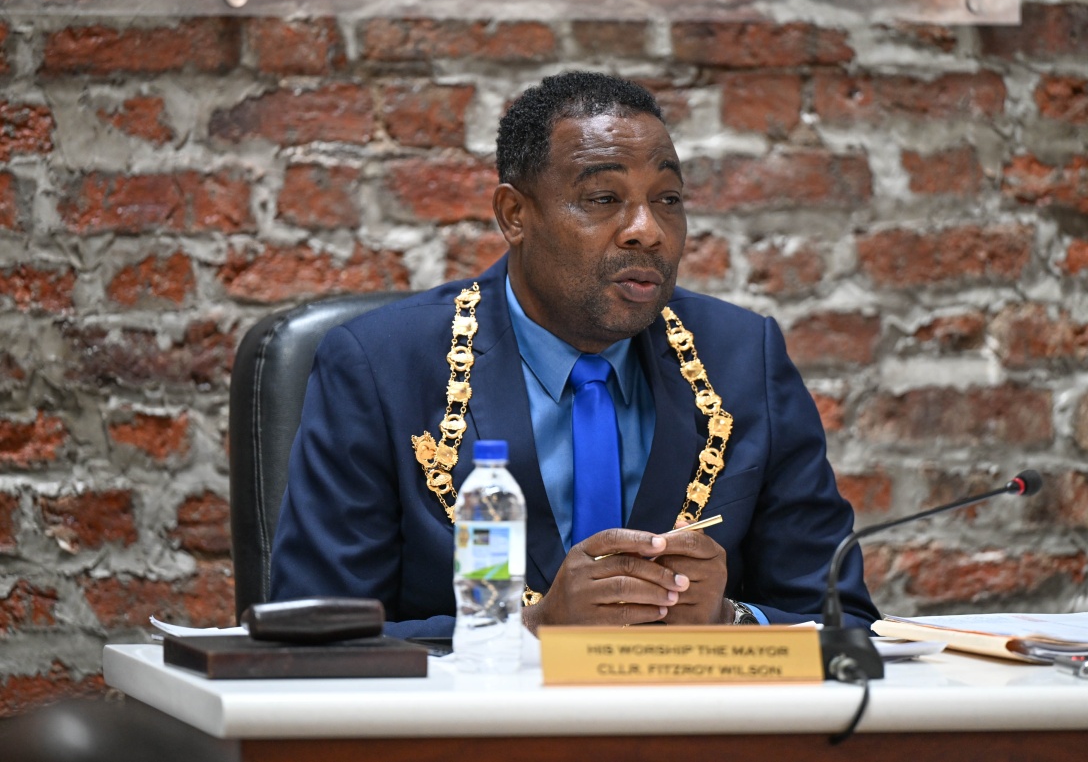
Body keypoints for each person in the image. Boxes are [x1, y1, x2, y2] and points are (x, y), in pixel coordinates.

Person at [270, 71, 879, 638]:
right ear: (514, 215)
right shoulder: (382, 367)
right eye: (603, 199)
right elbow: (316, 635)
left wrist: (730, 617)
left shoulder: (743, 357)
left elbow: (843, 619)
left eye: (668, 199)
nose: (647, 229)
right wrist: (527, 630)